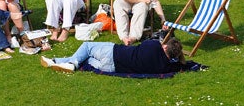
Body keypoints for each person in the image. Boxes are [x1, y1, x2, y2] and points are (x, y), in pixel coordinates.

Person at [42, 36, 184, 74]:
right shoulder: (165, 67)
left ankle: (72, 64)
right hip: (111, 68)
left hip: (114, 53)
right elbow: (180, 64)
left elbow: (147, 42)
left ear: (165, 46)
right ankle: (54, 61)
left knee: (87, 46)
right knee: (86, 59)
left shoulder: (154, 46)